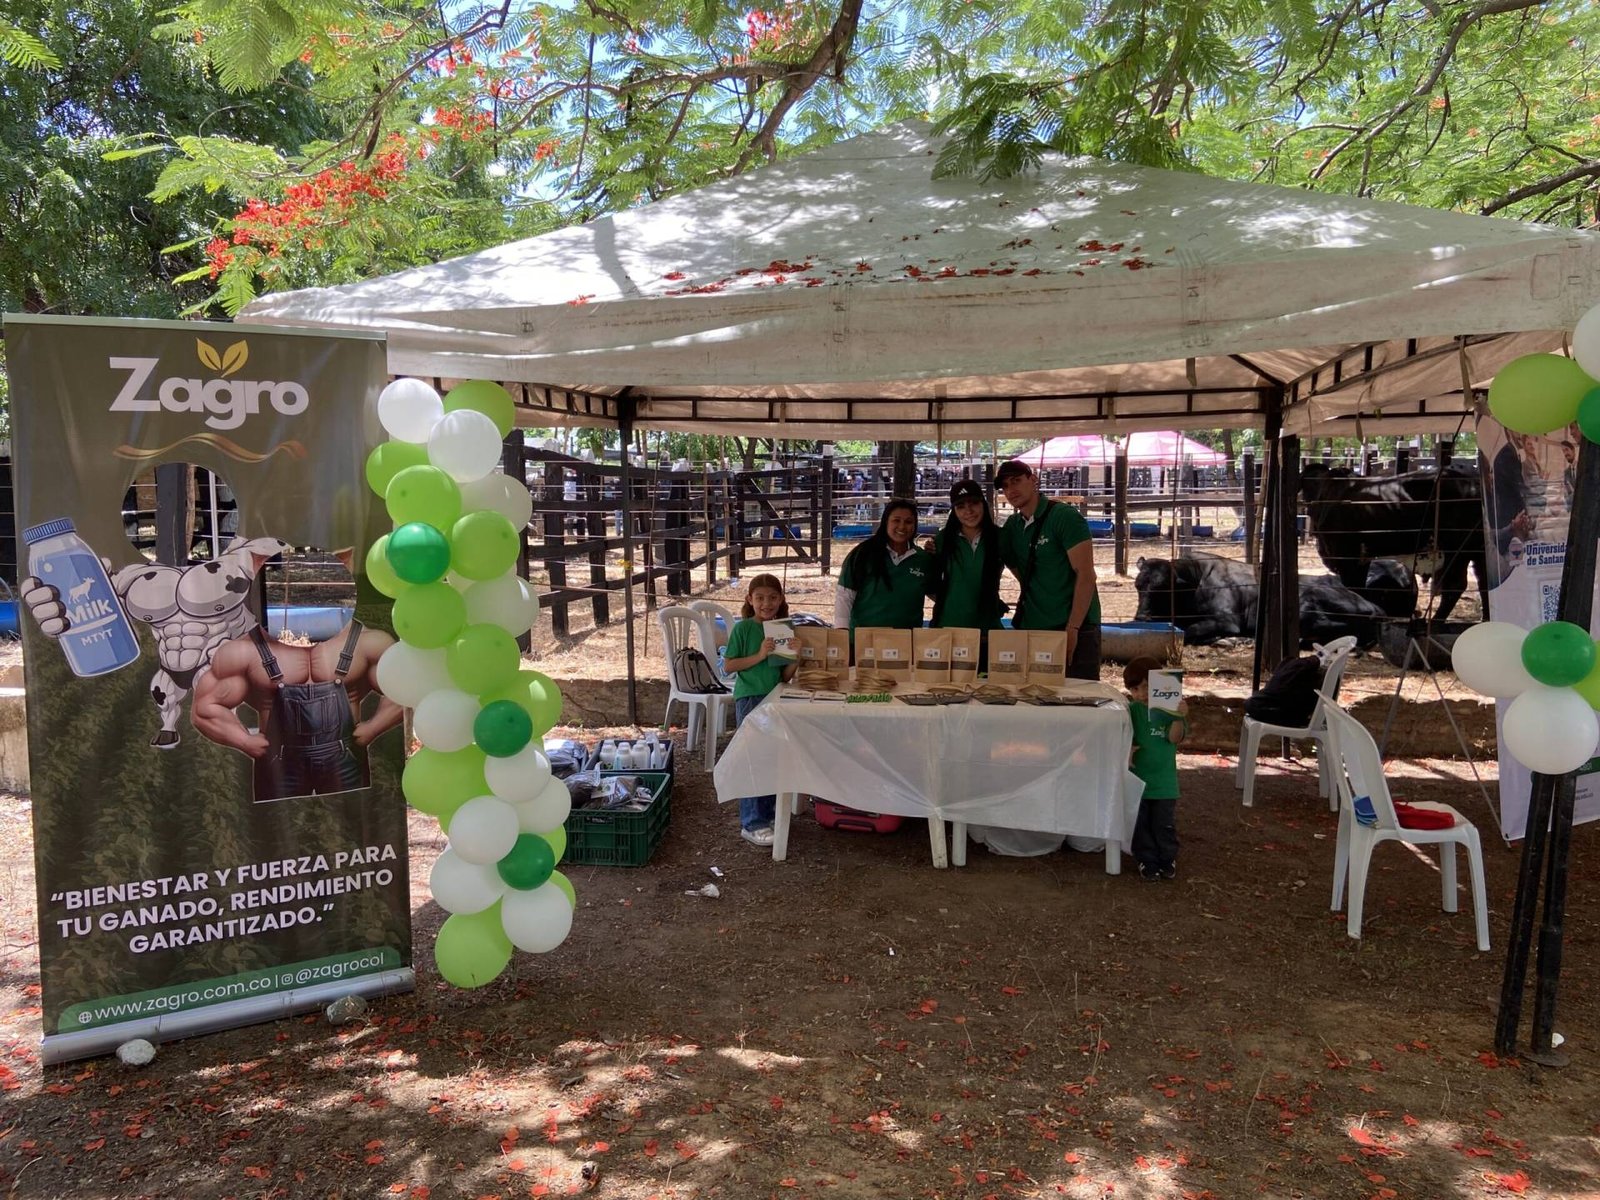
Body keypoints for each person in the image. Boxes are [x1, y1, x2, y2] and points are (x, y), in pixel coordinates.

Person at [192, 619, 404, 802]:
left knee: (353, 823)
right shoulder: (244, 650)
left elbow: (404, 689)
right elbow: (205, 709)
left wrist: (374, 727)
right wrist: (244, 741)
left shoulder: (368, 642)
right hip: (279, 761)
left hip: (345, 756)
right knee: (275, 831)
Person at [994, 459, 1102, 679]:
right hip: (1033, 627)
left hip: (1073, 626)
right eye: (1005, 486)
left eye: (1016, 481)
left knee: (1078, 693)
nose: (1011, 490)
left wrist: (1073, 628)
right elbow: (1018, 571)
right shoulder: (1012, 527)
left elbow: (1086, 575)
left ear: (1033, 479)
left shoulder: (1064, 517)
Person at [723, 573, 797, 847]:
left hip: (775, 698)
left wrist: (795, 657)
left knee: (772, 756)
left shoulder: (781, 629)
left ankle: (769, 814)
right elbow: (729, 666)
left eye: (773, 597)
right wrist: (759, 655)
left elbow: (785, 675)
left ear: (781, 599)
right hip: (750, 698)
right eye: (760, 598)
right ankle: (751, 822)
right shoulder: (743, 629)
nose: (767, 603)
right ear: (749, 600)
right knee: (752, 757)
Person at [1123, 656, 1189, 881]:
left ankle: (1167, 858)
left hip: (1164, 782)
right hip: (1138, 779)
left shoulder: (1169, 709)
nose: (1142, 694)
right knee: (1140, 823)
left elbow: (1174, 738)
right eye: (1135, 689)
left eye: (1147, 687)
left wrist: (1178, 717)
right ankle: (1146, 860)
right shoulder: (1131, 710)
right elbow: (1122, 736)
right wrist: (1127, 749)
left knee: (1164, 824)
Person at [833, 498, 934, 641]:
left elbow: (937, 593)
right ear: (886, 521)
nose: (902, 526)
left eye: (908, 522)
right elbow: (845, 595)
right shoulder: (863, 553)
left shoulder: (923, 559)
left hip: (906, 643)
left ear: (915, 525)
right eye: (896, 520)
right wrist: (841, 633)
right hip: (864, 642)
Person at [928, 480, 1005, 635]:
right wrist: (954, 602)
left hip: (988, 629)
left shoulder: (1000, 537)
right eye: (960, 506)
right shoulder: (942, 540)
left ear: (983, 504)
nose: (968, 511)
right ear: (954, 511)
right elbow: (928, 583)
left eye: (974, 503)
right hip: (948, 629)